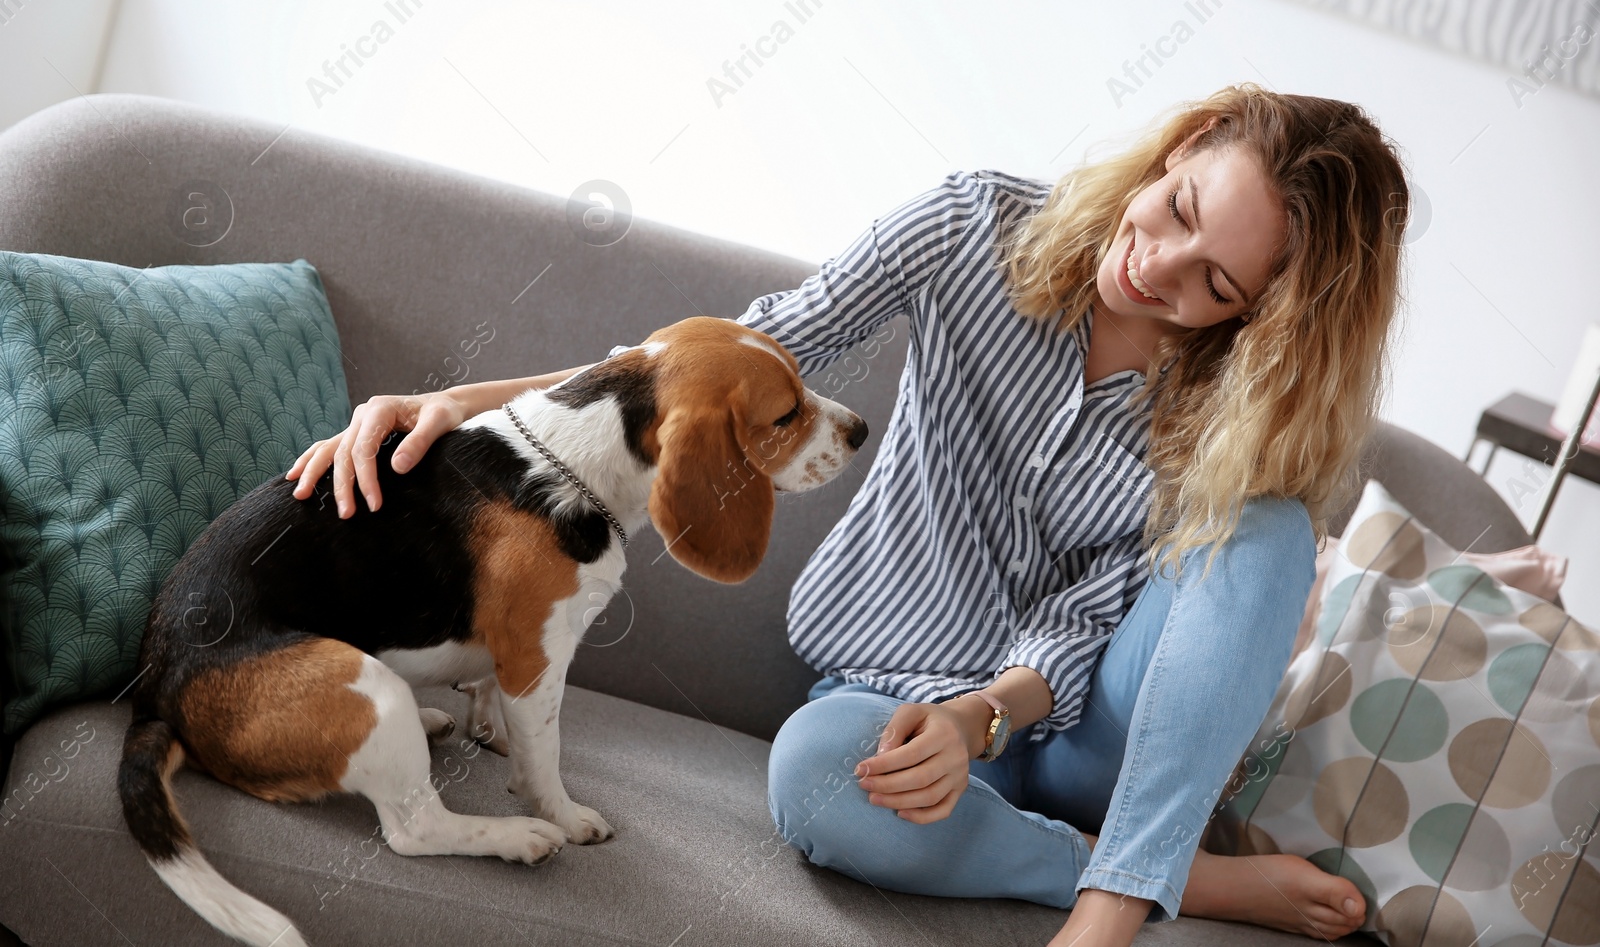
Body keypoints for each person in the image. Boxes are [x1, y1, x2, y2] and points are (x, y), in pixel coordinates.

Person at [285, 82, 1408, 947]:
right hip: (887, 703)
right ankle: (1180, 873)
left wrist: (986, 714)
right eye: (1176, 208)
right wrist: (464, 404)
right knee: (816, 775)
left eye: (1216, 283)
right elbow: (724, 358)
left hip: (1093, 731)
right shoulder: (973, 227)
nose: (1156, 264)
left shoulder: (1229, 407)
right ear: (1180, 145)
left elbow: (1094, 612)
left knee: (1263, 531)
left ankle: (1111, 908)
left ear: (1263, 320)